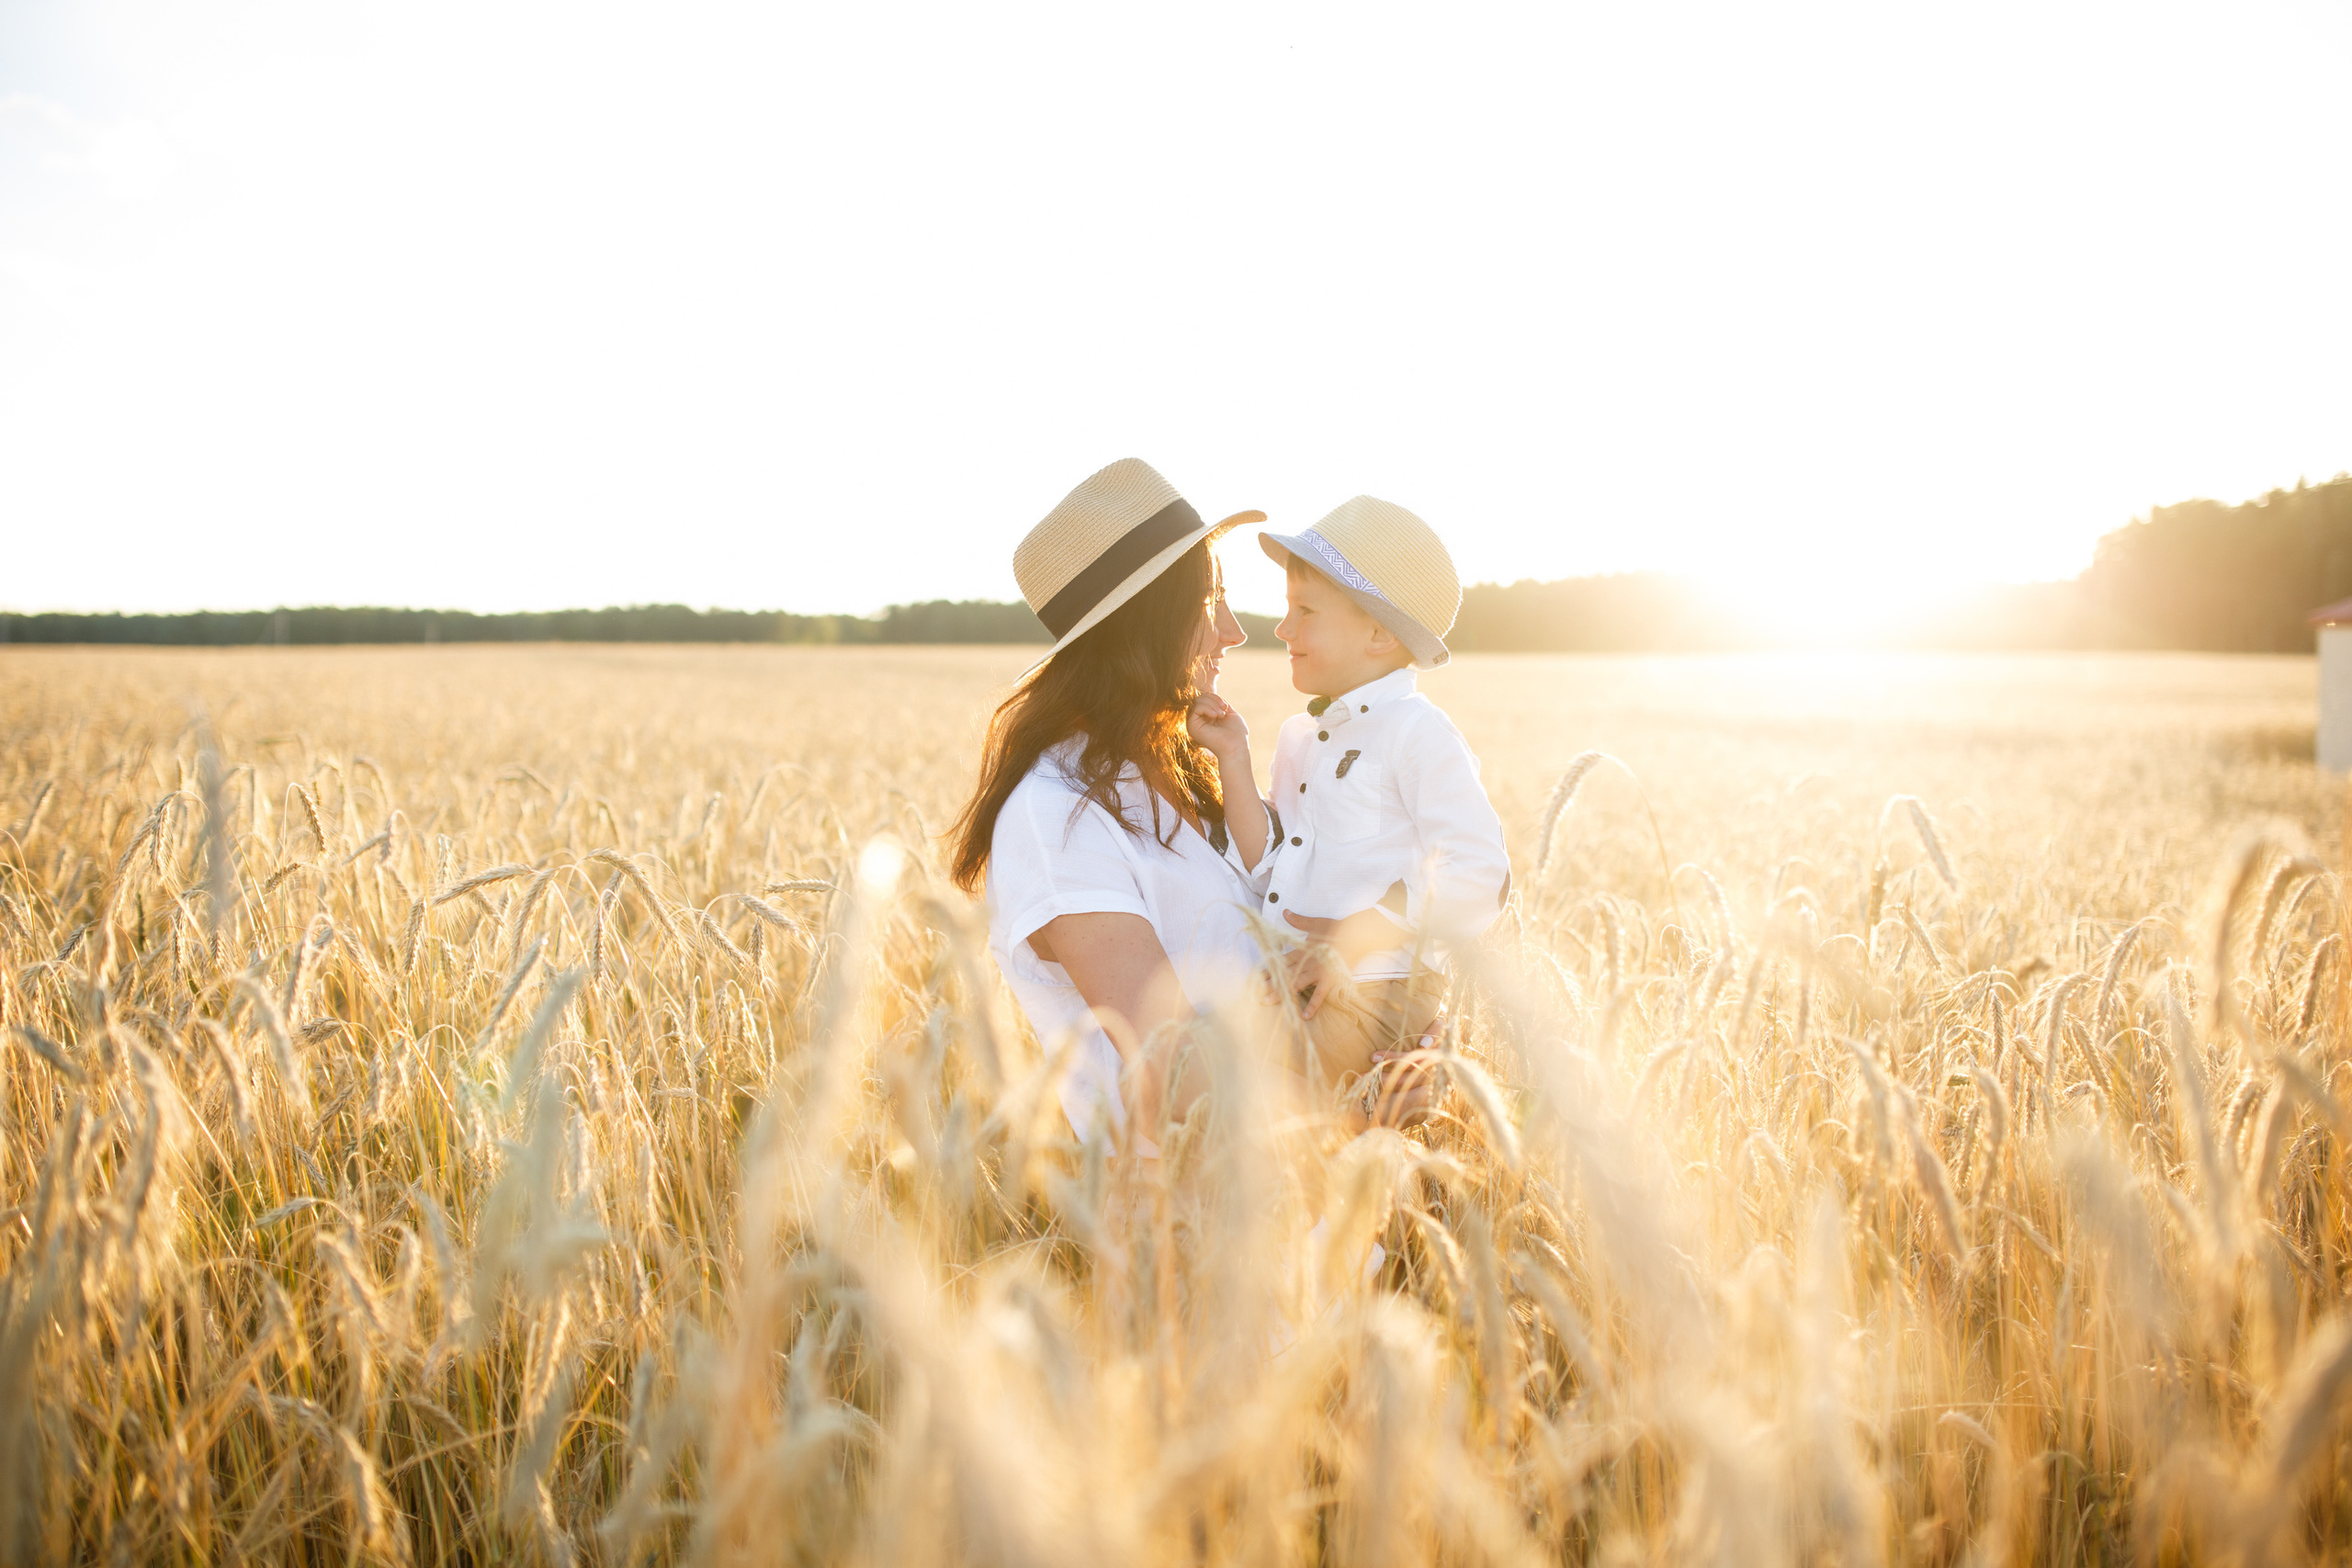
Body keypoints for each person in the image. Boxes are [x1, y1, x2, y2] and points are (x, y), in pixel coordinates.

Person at [947, 459, 1439, 1146]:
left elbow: (1271, 960)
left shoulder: (1188, 780)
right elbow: (1179, 1074)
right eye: (1211, 601)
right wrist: (1363, 1119)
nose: (1235, 630)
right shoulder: (1054, 816)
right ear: (1142, 625)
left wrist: (1392, 1024)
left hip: (1329, 1202)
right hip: (1207, 1239)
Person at [1243, 495, 1511, 1107]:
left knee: (1257, 1107)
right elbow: (1279, 859)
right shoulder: (1298, 738)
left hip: (1379, 994)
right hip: (1300, 987)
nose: (1282, 629)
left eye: (1304, 610)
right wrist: (1234, 760)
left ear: (1379, 633)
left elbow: (1482, 873)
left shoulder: (1418, 732)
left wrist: (1356, 934)